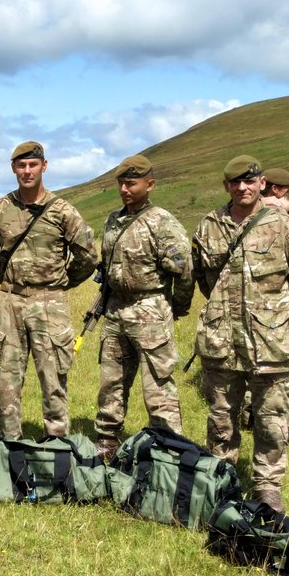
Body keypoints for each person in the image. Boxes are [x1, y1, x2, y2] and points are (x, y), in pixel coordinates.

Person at [192, 155, 289, 511]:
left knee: (271, 417)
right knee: (220, 416)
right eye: (235, 182)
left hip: (270, 341)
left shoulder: (284, 225)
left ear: (262, 182)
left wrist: (281, 315)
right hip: (221, 340)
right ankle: (222, 478)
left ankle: (267, 486)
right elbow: (202, 277)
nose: (242, 188)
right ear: (226, 186)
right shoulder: (210, 226)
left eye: (249, 181)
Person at [0, 141, 96, 439]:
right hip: (11, 300)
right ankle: (10, 442)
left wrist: (60, 283)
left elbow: (87, 255)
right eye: (21, 165)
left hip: (50, 302)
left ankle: (57, 443)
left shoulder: (63, 212)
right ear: (13, 169)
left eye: (33, 165)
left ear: (44, 166)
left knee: (53, 376)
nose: (27, 171)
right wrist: (6, 281)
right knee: (8, 376)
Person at [92, 155, 193, 460]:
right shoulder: (113, 220)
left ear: (149, 185)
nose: (125, 189)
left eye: (131, 183)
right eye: (121, 183)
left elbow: (183, 269)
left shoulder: (161, 222)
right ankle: (107, 441)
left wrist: (177, 305)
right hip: (115, 310)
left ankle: (168, 449)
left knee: (158, 384)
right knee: (111, 381)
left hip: (149, 310)